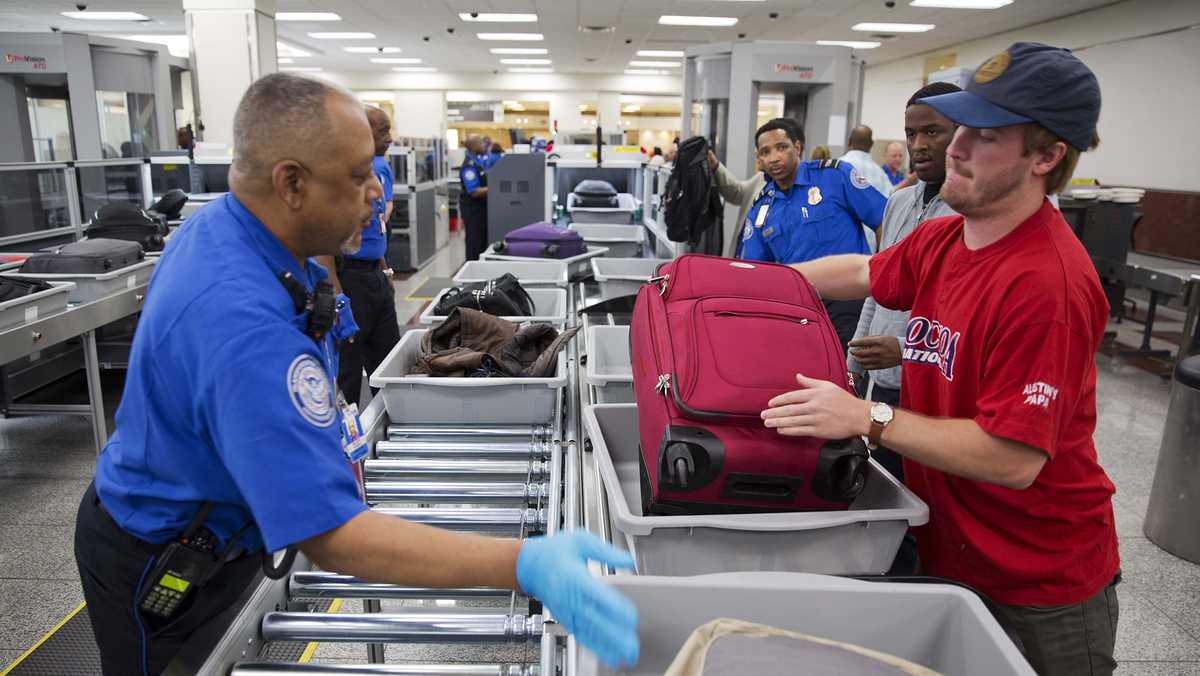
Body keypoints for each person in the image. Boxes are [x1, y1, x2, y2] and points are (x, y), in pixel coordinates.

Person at [73, 73, 639, 676]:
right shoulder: (241, 323)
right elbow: (333, 536)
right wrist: (523, 564)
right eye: (356, 175)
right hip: (166, 559)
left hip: (227, 526)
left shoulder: (241, 231)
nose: (376, 192)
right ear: (290, 182)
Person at [763, 43, 1117, 676]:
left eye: (984, 135)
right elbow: (863, 270)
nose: (954, 146)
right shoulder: (948, 233)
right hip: (946, 548)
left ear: (1046, 155)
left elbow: (1013, 459)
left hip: (1035, 584)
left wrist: (866, 416)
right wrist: (756, 284)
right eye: (962, 127)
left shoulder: (1047, 284)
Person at [847, 81, 961, 485]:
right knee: (883, 489)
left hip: (933, 390)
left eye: (933, 132)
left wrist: (907, 350)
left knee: (924, 499)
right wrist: (854, 366)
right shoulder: (898, 202)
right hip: (885, 386)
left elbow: (963, 318)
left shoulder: (968, 216)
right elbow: (878, 289)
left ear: (962, 134)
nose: (919, 144)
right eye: (912, 134)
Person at [738, 118, 886, 351]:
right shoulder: (760, 210)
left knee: (847, 378)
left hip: (849, 300)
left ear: (797, 147)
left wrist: (882, 278)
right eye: (766, 152)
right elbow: (754, 271)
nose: (774, 157)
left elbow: (882, 221)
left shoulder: (834, 176)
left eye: (782, 147)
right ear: (759, 159)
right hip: (799, 308)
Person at [315, 106, 401, 407]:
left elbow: (375, 229)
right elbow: (323, 245)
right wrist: (337, 296)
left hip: (374, 278)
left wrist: (384, 271)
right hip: (348, 280)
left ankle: (393, 433)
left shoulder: (374, 171)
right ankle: (346, 446)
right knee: (349, 371)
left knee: (390, 363)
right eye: (382, 131)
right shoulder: (337, 175)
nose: (389, 138)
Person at [459, 135, 490, 260]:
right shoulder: (469, 166)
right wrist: (496, 188)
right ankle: (471, 271)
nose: (484, 145)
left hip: (480, 209)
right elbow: (474, 191)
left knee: (481, 241)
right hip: (473, 209)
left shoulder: (477, 161)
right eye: (481, 143)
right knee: (474, 242)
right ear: (473, 146)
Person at [839, 125, 893, 197]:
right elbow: (889, 197)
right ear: (871, 144)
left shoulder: (837, 166)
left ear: (849, 141)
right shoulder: (880, 174)